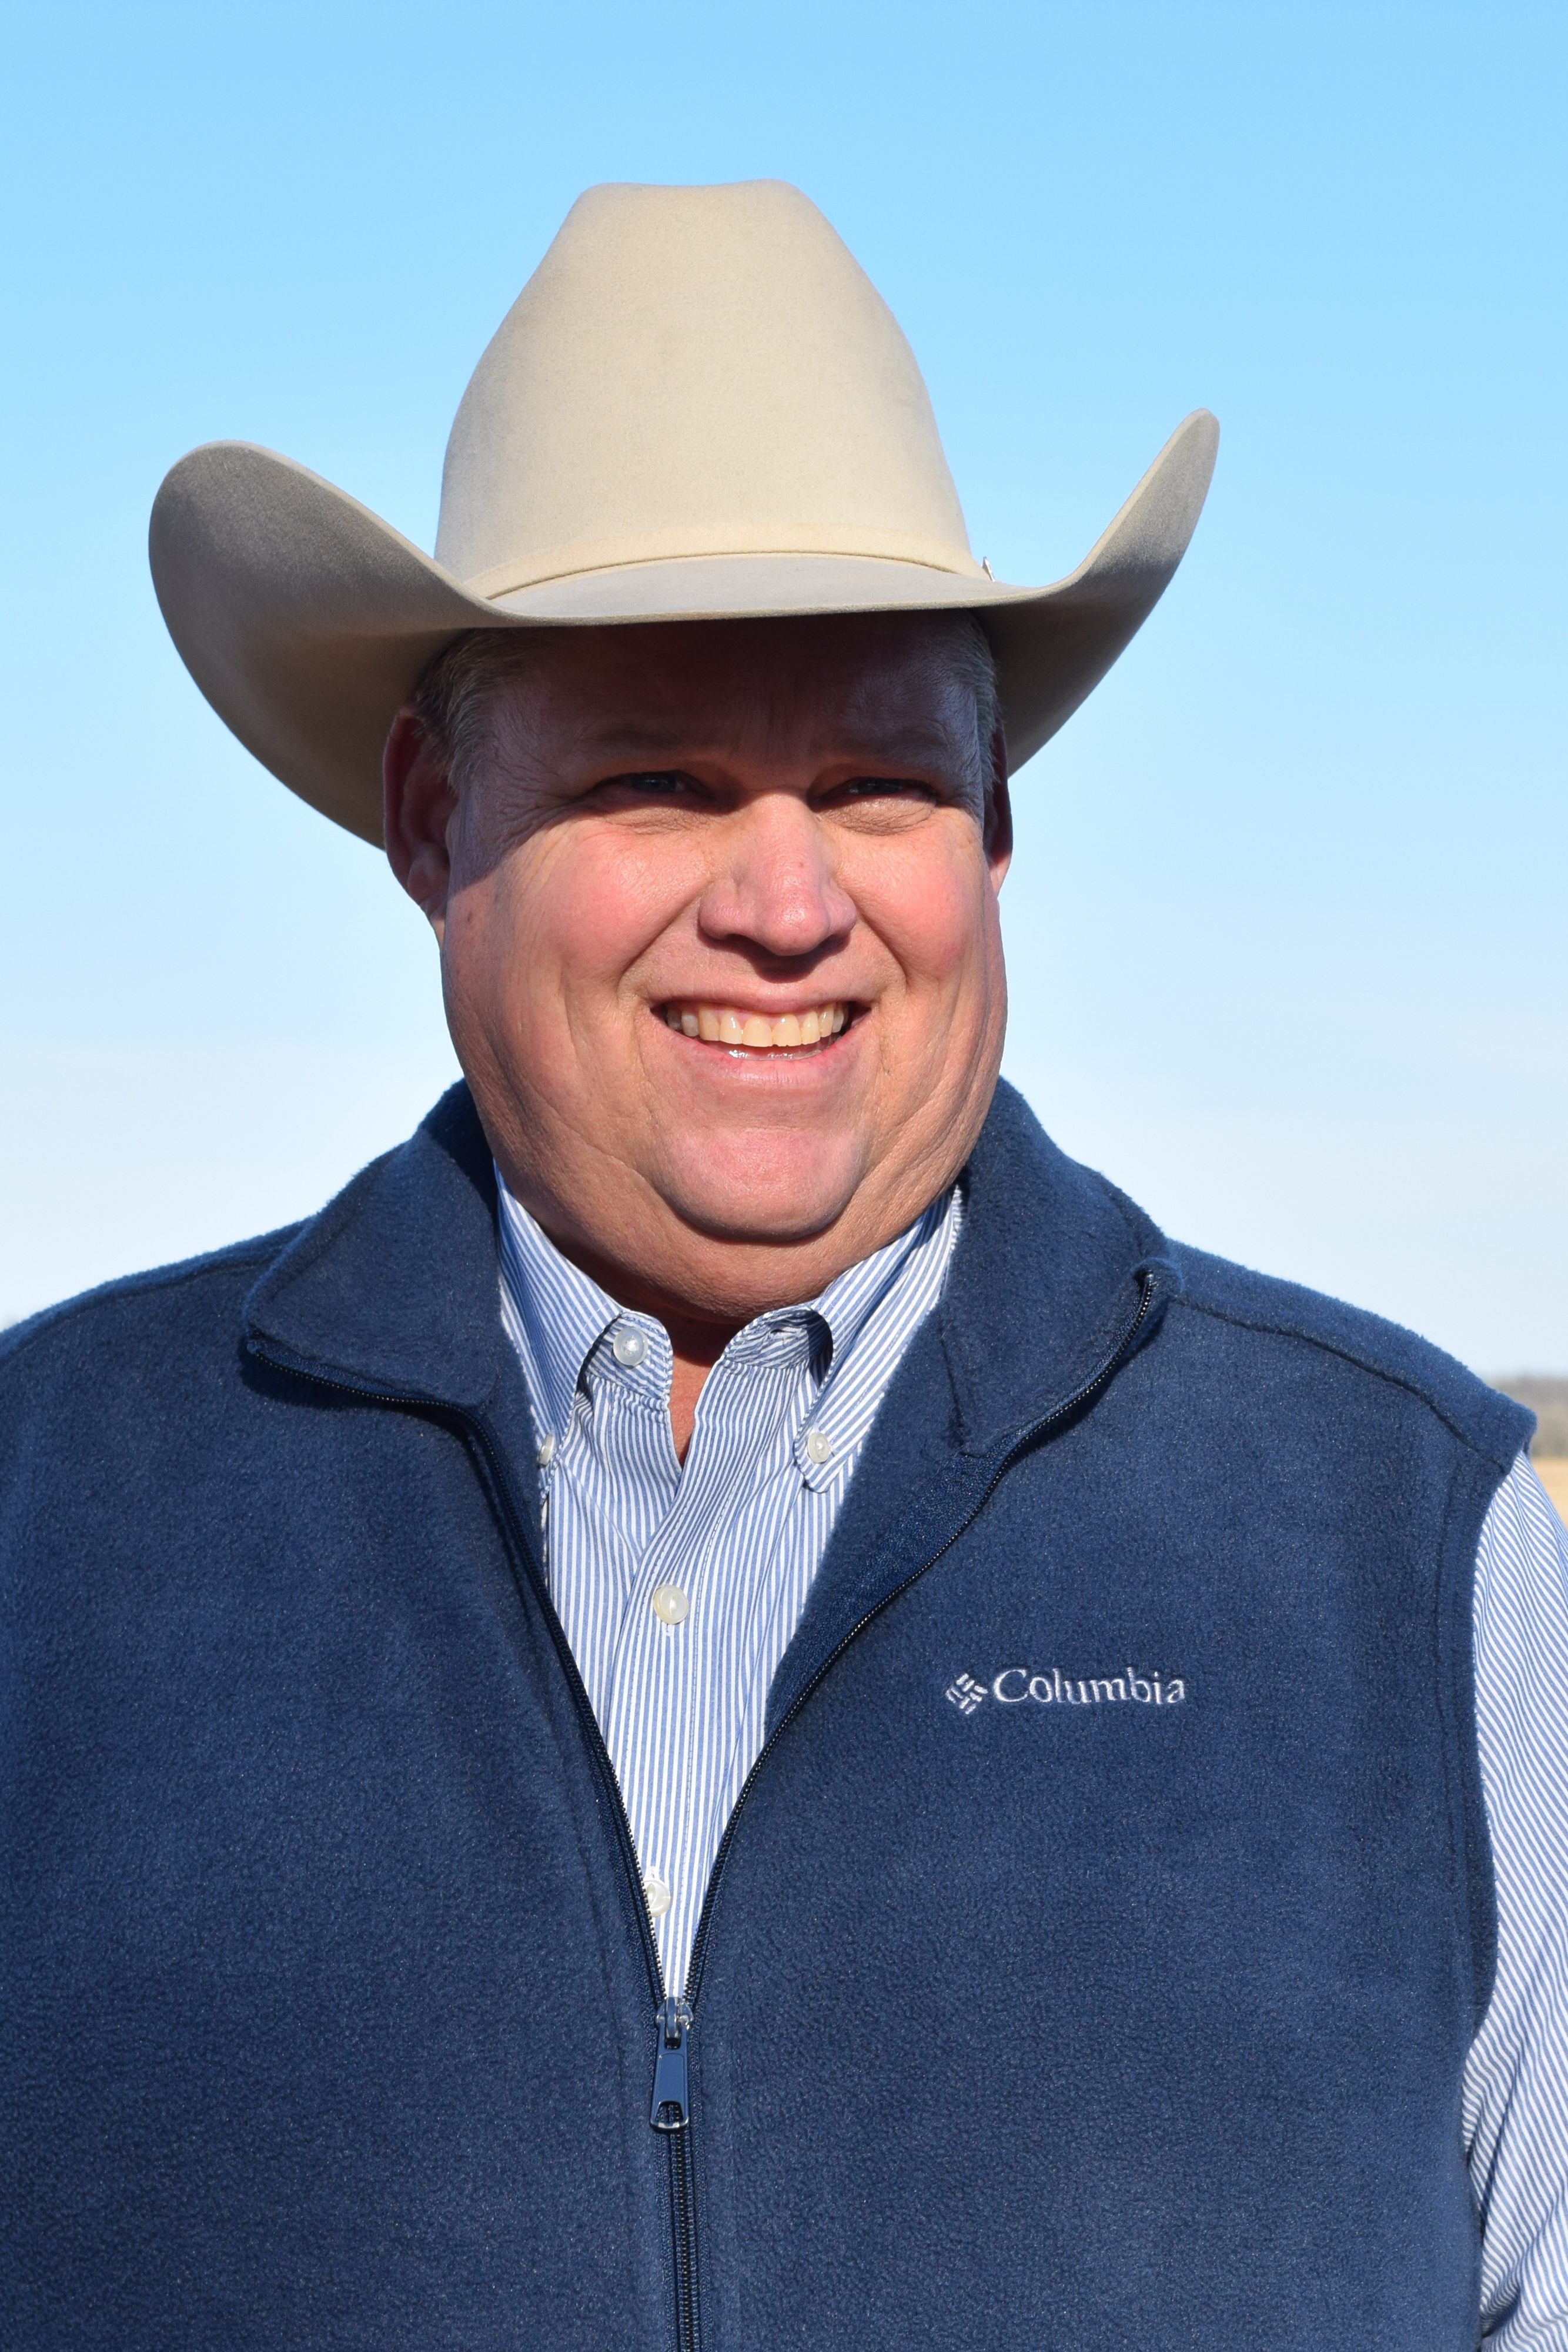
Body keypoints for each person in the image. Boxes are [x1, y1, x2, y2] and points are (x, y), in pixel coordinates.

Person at [2, 179, 1564, 2352]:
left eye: (876, 783)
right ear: (428, 823)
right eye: (657, 780)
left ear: (994, 833)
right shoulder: (43, 1510)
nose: (785, 901)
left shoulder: (1419, 1550)